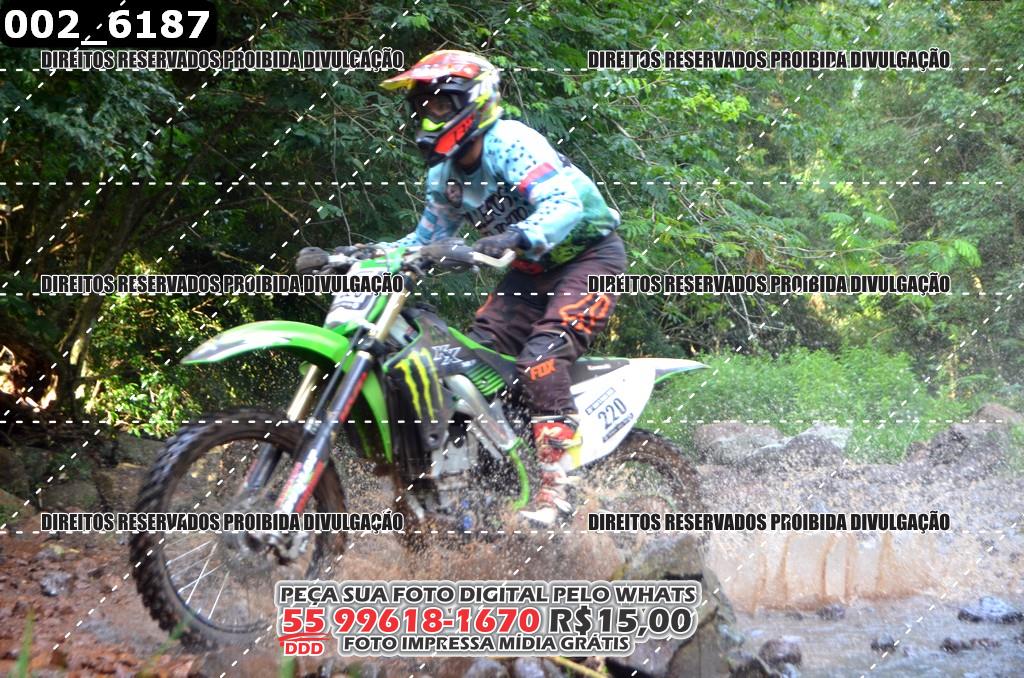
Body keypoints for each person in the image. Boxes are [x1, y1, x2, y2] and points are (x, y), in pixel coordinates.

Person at [378, 50, 626, 525]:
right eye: (423, 107)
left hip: (590, 257)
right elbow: (423, 243)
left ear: (473, 101)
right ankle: (493, 480)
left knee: (541, 357)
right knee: (475, 365)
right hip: (530, 271)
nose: (429, 117)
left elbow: (564, 203)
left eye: (440, 105)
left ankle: (557, 490)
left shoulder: (510, 141)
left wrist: (515, 235)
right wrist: (358, 256)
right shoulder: (445, 176)